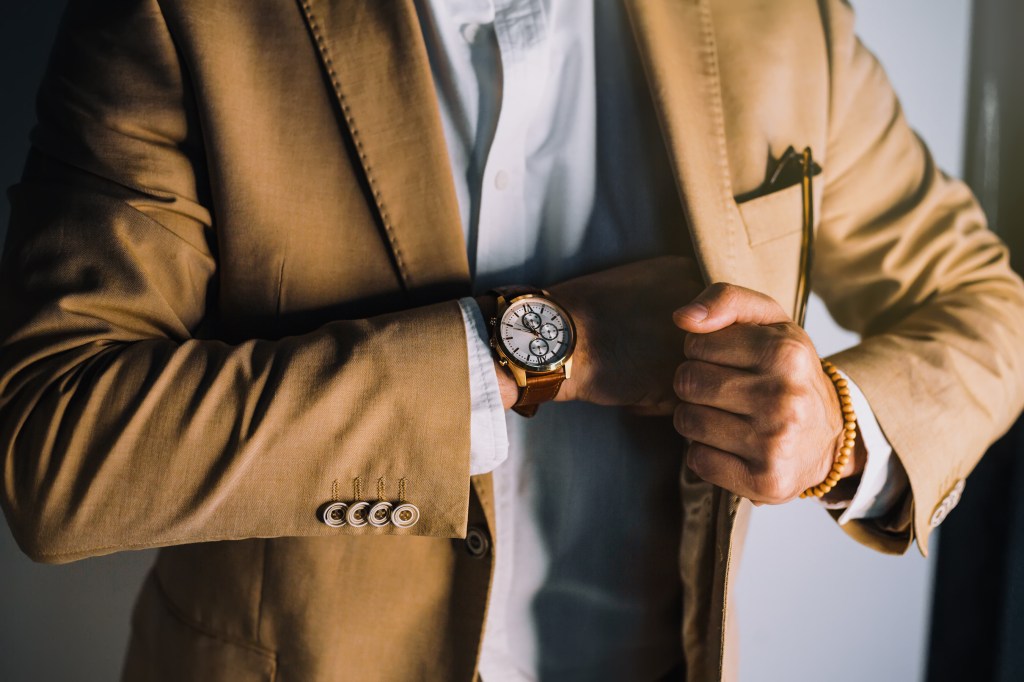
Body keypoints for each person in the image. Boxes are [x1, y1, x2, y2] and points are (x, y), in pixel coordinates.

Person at [1, 0, 1022, 680]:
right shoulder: (186, 19)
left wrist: (836, 434)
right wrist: (537, 349)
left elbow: (986, 303)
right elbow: (59, 448)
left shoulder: (780, 20)